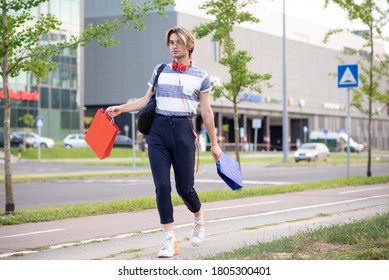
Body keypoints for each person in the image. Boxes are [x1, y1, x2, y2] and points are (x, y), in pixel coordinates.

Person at [107, 27, 222, 258]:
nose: (173, 46)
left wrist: (215, 144)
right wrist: (121, 108)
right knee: (161, 186)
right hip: (158, 132)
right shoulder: (160, 70)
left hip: (183, 131)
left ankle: (199, 218)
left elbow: (207, 113)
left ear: (188, 44)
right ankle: (170, 240)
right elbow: (145, 100)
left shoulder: (201, 76)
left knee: (185, 188)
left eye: (178, 42)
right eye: (170, 42)